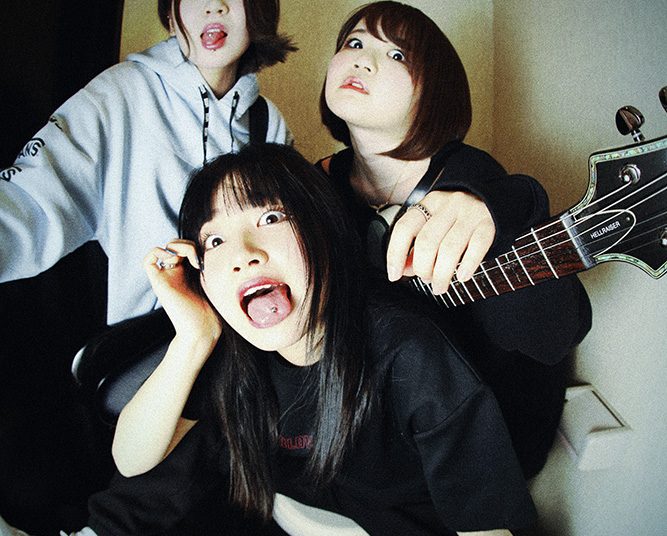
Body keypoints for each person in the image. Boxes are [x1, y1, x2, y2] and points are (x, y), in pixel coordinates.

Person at [43, 143, 536, 536]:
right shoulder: (234, 351)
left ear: (324, 230)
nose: (243, 254)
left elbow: (486, 523)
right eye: (215, 240)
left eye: (271, 219)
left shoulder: (408, 350)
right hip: (293, 499)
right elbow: (132, 460)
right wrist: (193, 337)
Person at [317, 1, 592, 478]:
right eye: (354, 43)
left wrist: (507, 207)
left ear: (433, 94)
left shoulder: (471, 179)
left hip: (488, 432)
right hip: (387, 422)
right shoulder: (321, 183)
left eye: (397, 55)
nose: (362, 60)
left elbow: (557, 332)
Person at [0, 0, 296, 325]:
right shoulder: (119, 95)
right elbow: (29, 202)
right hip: (147, 347)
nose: (214, 6)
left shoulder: (268, 124)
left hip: (244, 339)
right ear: (170, 13)